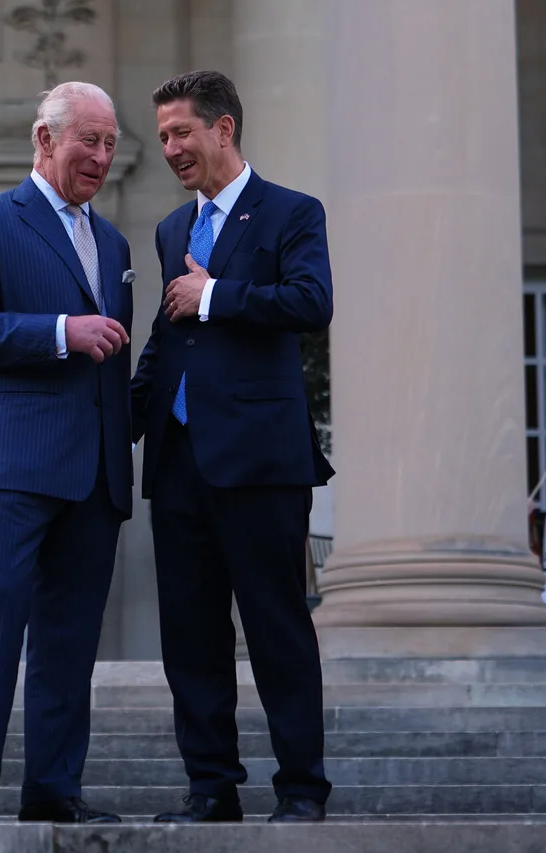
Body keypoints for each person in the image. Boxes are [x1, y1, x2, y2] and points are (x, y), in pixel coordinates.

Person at [131, 70, 335, 823]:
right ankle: (211, 787)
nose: (171, 149)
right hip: (180, 461)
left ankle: (301, 789)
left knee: (277, 626)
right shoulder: (171, 230)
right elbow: (168, 336)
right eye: (163, 137)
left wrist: (214, 293)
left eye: (181, 132)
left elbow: (312, 301)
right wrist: (118, 421)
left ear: (224, 129)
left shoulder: (291, 212)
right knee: (191, 637)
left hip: (261, 461)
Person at [0, 82, 134, 824]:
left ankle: (53, 789)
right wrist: (61, 332)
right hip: (15, 463)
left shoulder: (114, 244)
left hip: (97, 470)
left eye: (111, 143)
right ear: (45, 139)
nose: (102, 157)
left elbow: (115, 359)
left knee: (70, 636)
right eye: (90, 139)